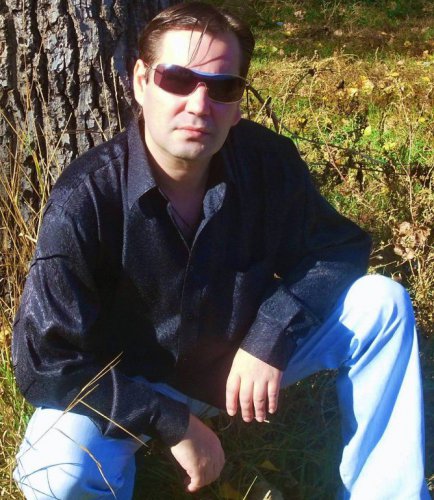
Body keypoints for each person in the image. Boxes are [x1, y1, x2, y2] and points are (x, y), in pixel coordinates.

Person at [12, 2, 429, 499]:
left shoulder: (268, 161)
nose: (199, 104)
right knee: (52, 472)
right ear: (141, 82)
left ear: (238, 103)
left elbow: (338, 247)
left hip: (240, 363)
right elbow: (45, 362)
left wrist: (271, 333)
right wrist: (169, 420)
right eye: (177, 80)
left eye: (223, 87)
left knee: (381, 303)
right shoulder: (85, 198)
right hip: (130, 388)